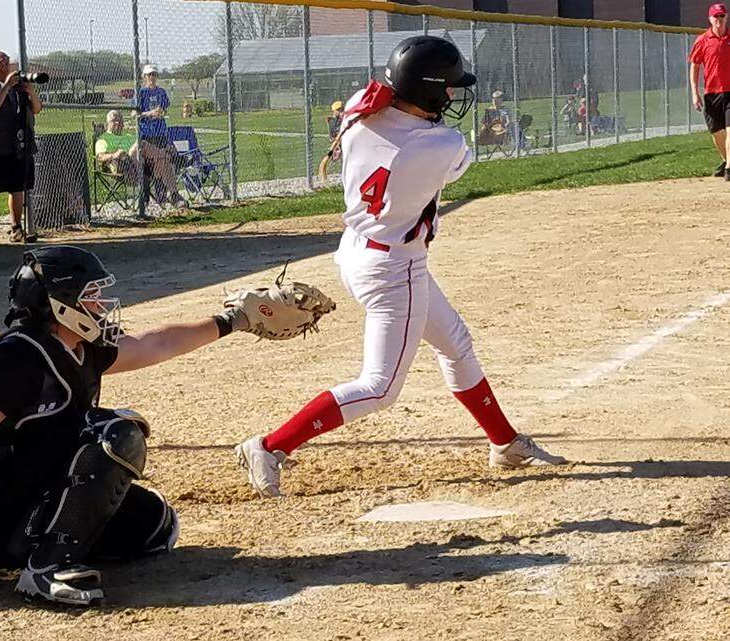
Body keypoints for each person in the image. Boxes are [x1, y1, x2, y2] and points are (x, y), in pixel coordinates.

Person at [235, 36, 566, 499]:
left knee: (455, 343)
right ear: (427, 91)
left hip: (355, 250)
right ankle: (270, 446)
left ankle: (504, 442)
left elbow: (386, 100)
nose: (453, 95)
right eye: (447, 88)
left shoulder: (359, 108)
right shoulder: (443, 144)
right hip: (395, 268)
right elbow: (453, 161)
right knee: (380, 387)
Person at [0, 245, 268, 606]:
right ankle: (45, 569)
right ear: (60, 303)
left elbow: (156, 343)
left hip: (34, 498)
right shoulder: (17, 356)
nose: (101, 305)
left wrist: (233, 320)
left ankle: (55, 545)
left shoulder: (81, 346)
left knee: (155, 526)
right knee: (114, 433)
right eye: (92, 296)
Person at [0, 51, 42, 243]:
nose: (4, 65)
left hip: (16, 146)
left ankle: (16, 228)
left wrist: (30, 91)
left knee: (17, 188)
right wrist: (6, 86)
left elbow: (36, 109)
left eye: (6, 61)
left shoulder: (18, 88)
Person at [94, 109, 186, 207]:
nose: (118, 124)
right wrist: (114, 155)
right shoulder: (104, 139)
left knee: (162, 161)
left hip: (143, 165)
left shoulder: (128, 136)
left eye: (120, 121)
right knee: (141, 144)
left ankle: (174, 196)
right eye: (114, 121)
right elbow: (100, 156)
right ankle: (171, 157)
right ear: (108, 123)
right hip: (124, 168)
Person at [690, 2, 730, 179]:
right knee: (717, 133)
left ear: (726, 17)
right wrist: (694, 92)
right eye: (716, 16)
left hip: (729, 92)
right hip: (711, 93)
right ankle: (726, 160)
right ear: (710, 19)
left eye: (722, 16)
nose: (719, 19)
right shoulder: (703, 40)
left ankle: (729, 167)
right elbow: (695, 65)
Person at [136, 64, 170, 149]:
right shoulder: (141, 93)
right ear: (144, 77)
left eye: (154, 74)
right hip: (146, 132)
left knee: (162, 157)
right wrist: (150, 113)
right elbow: (134, 114)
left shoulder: (161, 92)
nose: (152, 77)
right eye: (149, 75)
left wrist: (162, 112)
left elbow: (165, 109)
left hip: (160, 132)